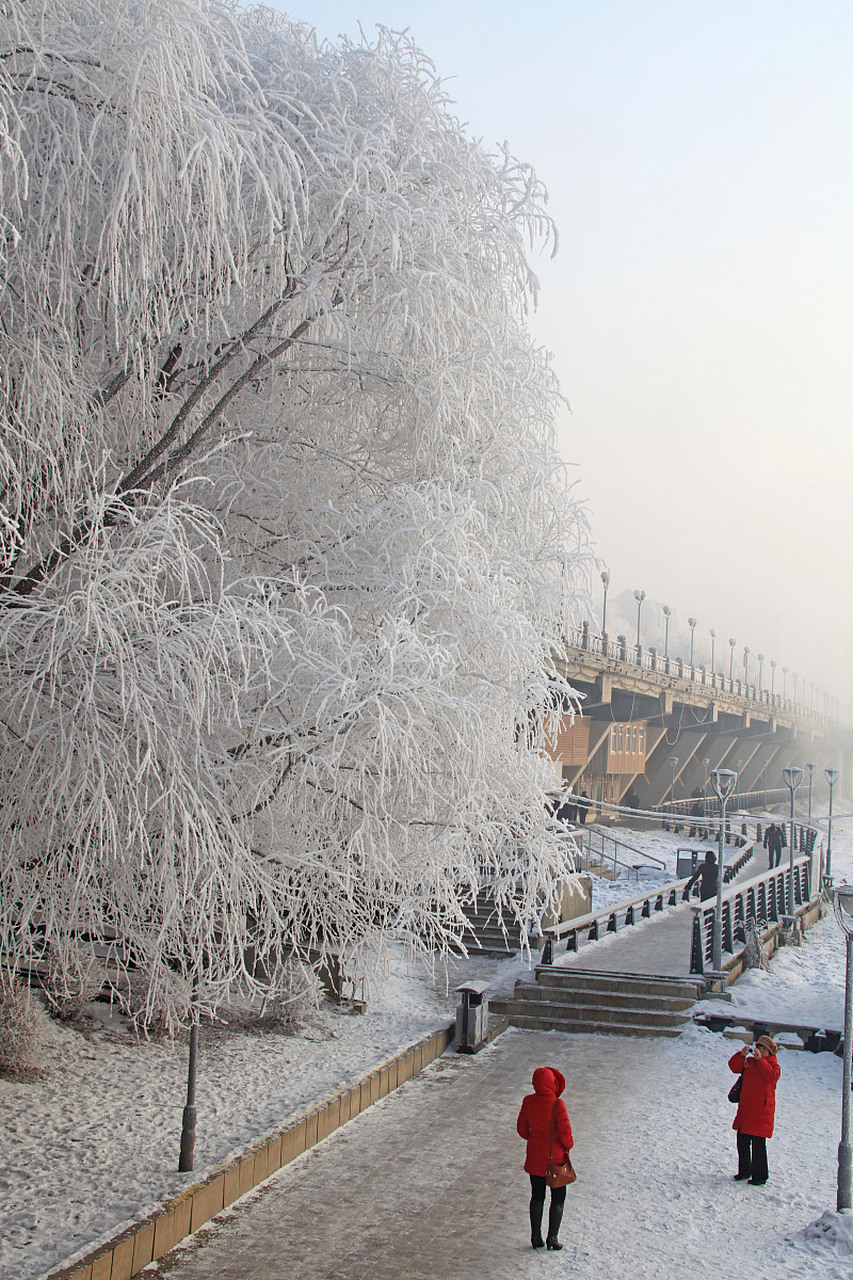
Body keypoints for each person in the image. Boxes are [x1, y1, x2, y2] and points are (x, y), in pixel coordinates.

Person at [516, 1066, 574, 1251]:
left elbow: (522, 1129)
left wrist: (534, 1140)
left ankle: (535, 1236)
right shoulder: (558, 1104)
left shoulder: (528, 1101)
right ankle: (553, 1238)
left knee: (537, 1195)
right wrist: (567, 1146)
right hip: (555, 1159)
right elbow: (566, 1134)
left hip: (534, 1158)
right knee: (558, 1197)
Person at [728, 1035, 781, 1185]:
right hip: (746, 1109)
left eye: (764, 1048)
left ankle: (760, 1176)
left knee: (758, 1145)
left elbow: (772, 1076)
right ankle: (744, 1171)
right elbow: (734, 1067)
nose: (761, 1051)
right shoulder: (749, 1062)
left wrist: (761, 1060)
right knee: (742, 1141)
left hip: (761, 1111)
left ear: (770, 1051)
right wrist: (741, 1055)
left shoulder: (773, 1066)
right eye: (759, 1047)